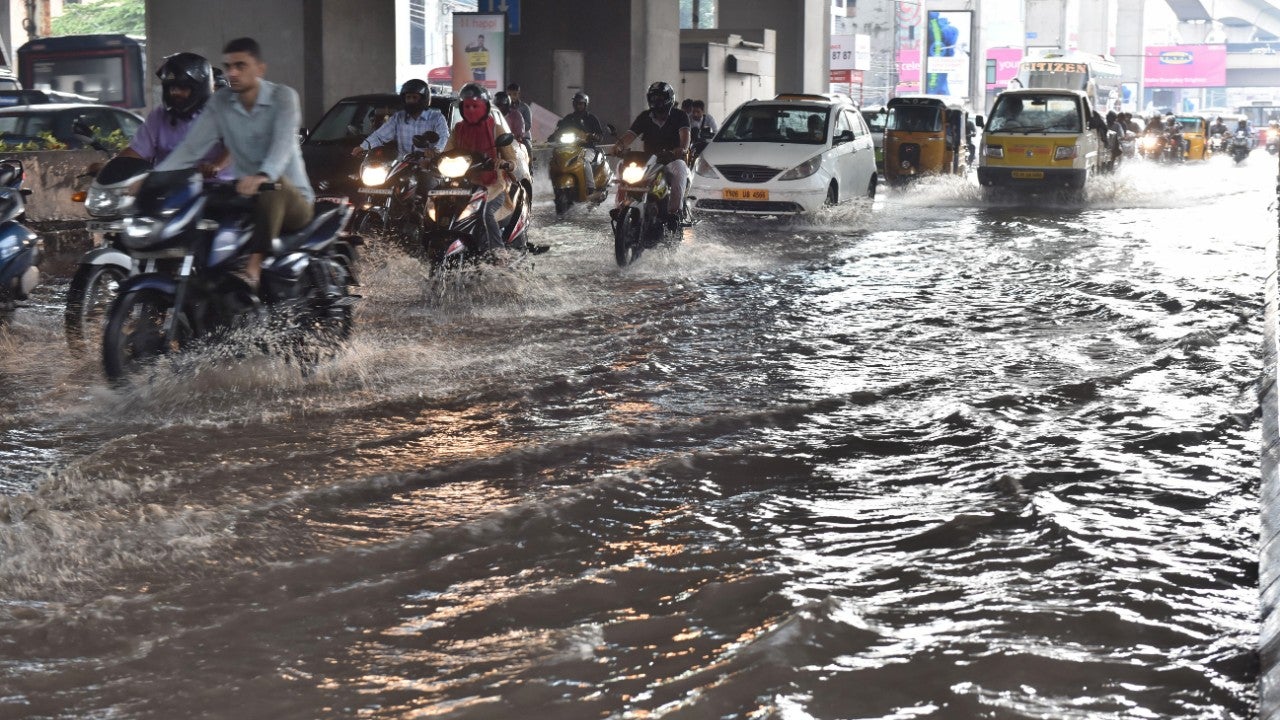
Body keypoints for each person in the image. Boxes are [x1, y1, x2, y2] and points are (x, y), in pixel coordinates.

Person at [155, 37, 314, 294]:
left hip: (291, 198)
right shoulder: (221, 102)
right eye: (228, 66)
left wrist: (263, 175)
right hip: (243, 195)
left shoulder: (283, 97)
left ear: (260, 69)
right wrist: (152, 178)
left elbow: (282, 145)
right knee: (199, 206)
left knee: (273, 185)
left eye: (241, 66)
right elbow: (191, 148)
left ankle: (253, 269)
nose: (233, 73)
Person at [101, 52, 232, 179]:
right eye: (172, 88)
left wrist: (216, 166)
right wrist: (109, 168)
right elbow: (136, 152)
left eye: (183, 88)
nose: (176, 93)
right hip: (170, 188)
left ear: (200, 89)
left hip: (216, 187)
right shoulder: (158, 116)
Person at [443, 82, 519, 253]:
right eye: (467, 106)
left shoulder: (496, 129)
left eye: (475, 106)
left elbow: (512, 161)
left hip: (493, 187)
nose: (471, 110)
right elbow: (446, 152)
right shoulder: (458, 129)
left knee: (485, 212)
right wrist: (433, 159)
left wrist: (504, 163)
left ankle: (499, 252)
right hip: (463, 185)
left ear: (485, 107)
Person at [612, 80, 691, 232]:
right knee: (622, 165)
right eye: (654, 97)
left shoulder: (680, 116)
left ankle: (674, 212)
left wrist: (682, 149)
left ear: (669, 99)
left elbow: (685, 135)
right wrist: (619, 146)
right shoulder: (645, 116)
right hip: (648, 160)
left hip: (670, 159)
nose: (657, 101)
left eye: (660, 97)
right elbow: (630, 135)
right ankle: (620, 207)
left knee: (680, 169)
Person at [351, 78, 449, 161]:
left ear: (424, 99)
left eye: (414, 97)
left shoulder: (437, 118)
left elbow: (444, 136)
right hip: (402, 165)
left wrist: (436, 150)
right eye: (408, 97)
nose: (411, 101)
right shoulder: (398, 118)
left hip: (428, 165)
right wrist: (362, 147)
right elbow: (380, 136)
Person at [551, 90, 607, 198]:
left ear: (585, 104)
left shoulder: (591, 118)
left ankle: (590, 187)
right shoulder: (568, 118)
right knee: (555, 160)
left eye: (581, 103)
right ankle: (555, 186)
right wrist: (552, 137)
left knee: (584, 161)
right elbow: (558, 131)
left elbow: (600, 135)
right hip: (569, 149)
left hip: (587, 148)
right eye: (576, 103)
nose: (578, 106)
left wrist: (594, 136)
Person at [505, 82, 533, 157]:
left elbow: (528, 125)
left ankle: (530, 163)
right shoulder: (504, 108)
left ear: (519, 94)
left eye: (514, 94)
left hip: (523, 137)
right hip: (507, 136)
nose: (512, 97)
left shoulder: (525, 107)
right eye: (509, 94)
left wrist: (518, 129)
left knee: (527, 147)